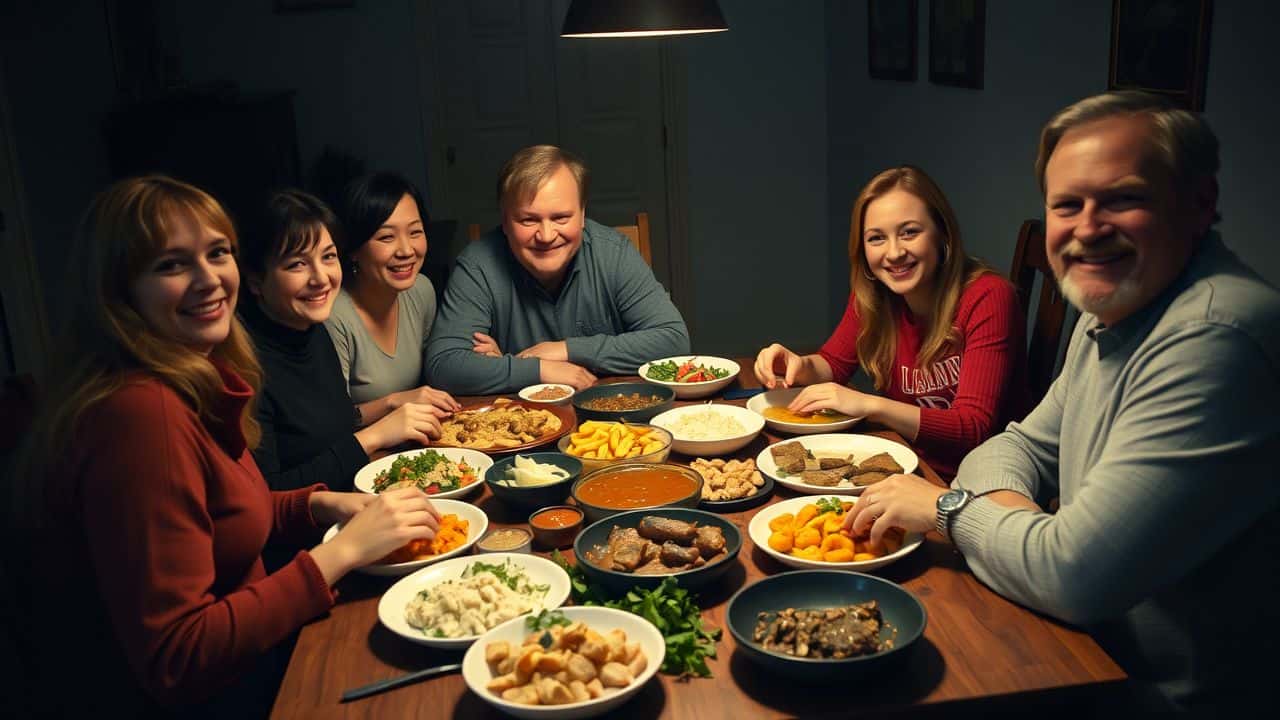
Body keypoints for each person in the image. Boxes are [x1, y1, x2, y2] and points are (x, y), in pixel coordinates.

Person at [845, 92, 1280, 713]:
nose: (1089, 228)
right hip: (1081, 644)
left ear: (1199, 203)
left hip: (1154, 693)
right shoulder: (1114, 307)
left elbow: (1073, 577)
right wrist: (1022, 528)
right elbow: (1016, 444)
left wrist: (948, 511)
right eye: (1067, 205)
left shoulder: (1215, 338)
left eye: (1124, 198)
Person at [12, 176, 443, 718]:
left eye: (218, 253)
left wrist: (318, 504)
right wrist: (342, 552)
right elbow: (178, 656)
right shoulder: (140, 414)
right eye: (171, 264)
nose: (209, 279)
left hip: (259, 647)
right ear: (118, 291)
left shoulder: (193, 373)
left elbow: (228, 507)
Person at [754, 166, 1031, 479]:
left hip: (982, 483)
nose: (894, 253)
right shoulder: (874, 294)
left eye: (909, 232)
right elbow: (833, 363)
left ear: (942, 233)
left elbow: (973, 429)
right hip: (905, 464)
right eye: (876, 238)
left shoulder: (989, 296)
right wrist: (799, 364)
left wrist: (872, 405)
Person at [424, 144, 691, 394]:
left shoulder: (614, 253)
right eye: (528, 219)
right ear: (505, 222)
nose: (546, 235)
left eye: (561, 217)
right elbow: (444, 365)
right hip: (520, 427)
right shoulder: (478, 265)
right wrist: (537, 369)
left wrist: (565, 350)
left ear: (583, 214)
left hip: (612, 417)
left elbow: (673, 341)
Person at [238, 189, 445, 497]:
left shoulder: (312, 330)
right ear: (255, 280)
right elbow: (270, 497)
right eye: (297, 264)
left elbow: (330, 423)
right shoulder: (247, 365)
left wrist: (389, 405)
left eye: (328, 256)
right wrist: (373, 437)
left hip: (359, 500)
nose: (321, 278)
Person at [324, 172, 460, 425]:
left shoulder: (421, 290)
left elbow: (435, 372)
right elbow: (333, 422)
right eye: (386, 237)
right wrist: (393, 402)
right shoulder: (334, 315)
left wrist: (477, 357)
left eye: (415, 232)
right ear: (353, 248)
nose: (407, 251)